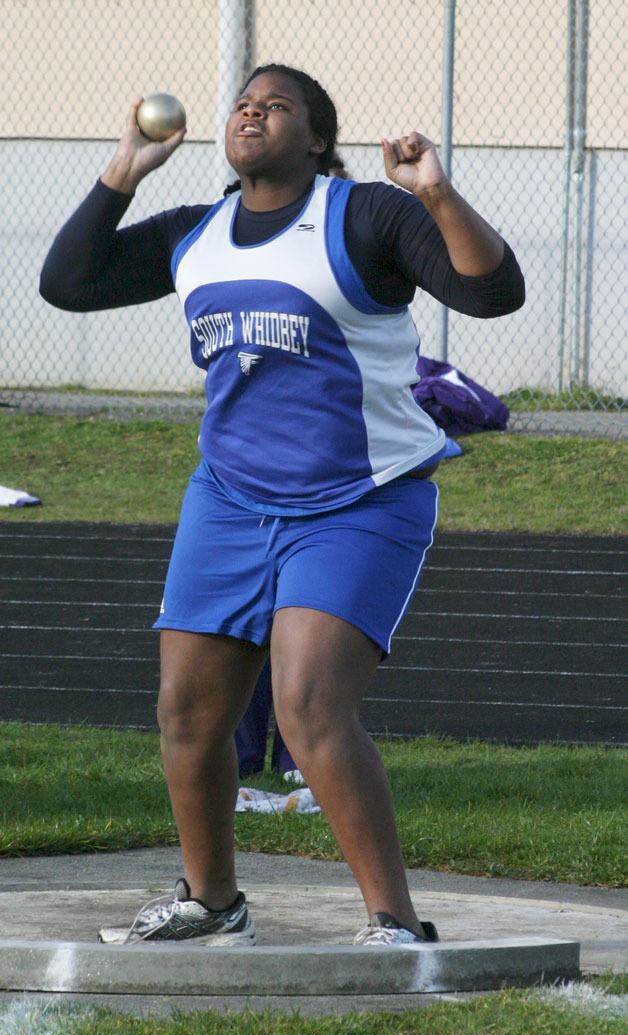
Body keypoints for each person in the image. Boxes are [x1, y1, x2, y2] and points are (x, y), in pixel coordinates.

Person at [40, 63, 525, 948]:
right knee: (186, 710)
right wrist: (123, 167)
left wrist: (437, 191)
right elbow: (67, 283)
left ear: (316, 138)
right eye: (243, 103)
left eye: (278, 105)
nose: (252, 111)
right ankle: (213, 903)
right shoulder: (197, 234)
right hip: (227, 498)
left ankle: (395, 922)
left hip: (359, 499)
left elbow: (493, 293)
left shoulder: (367, 215)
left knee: (307, 703)